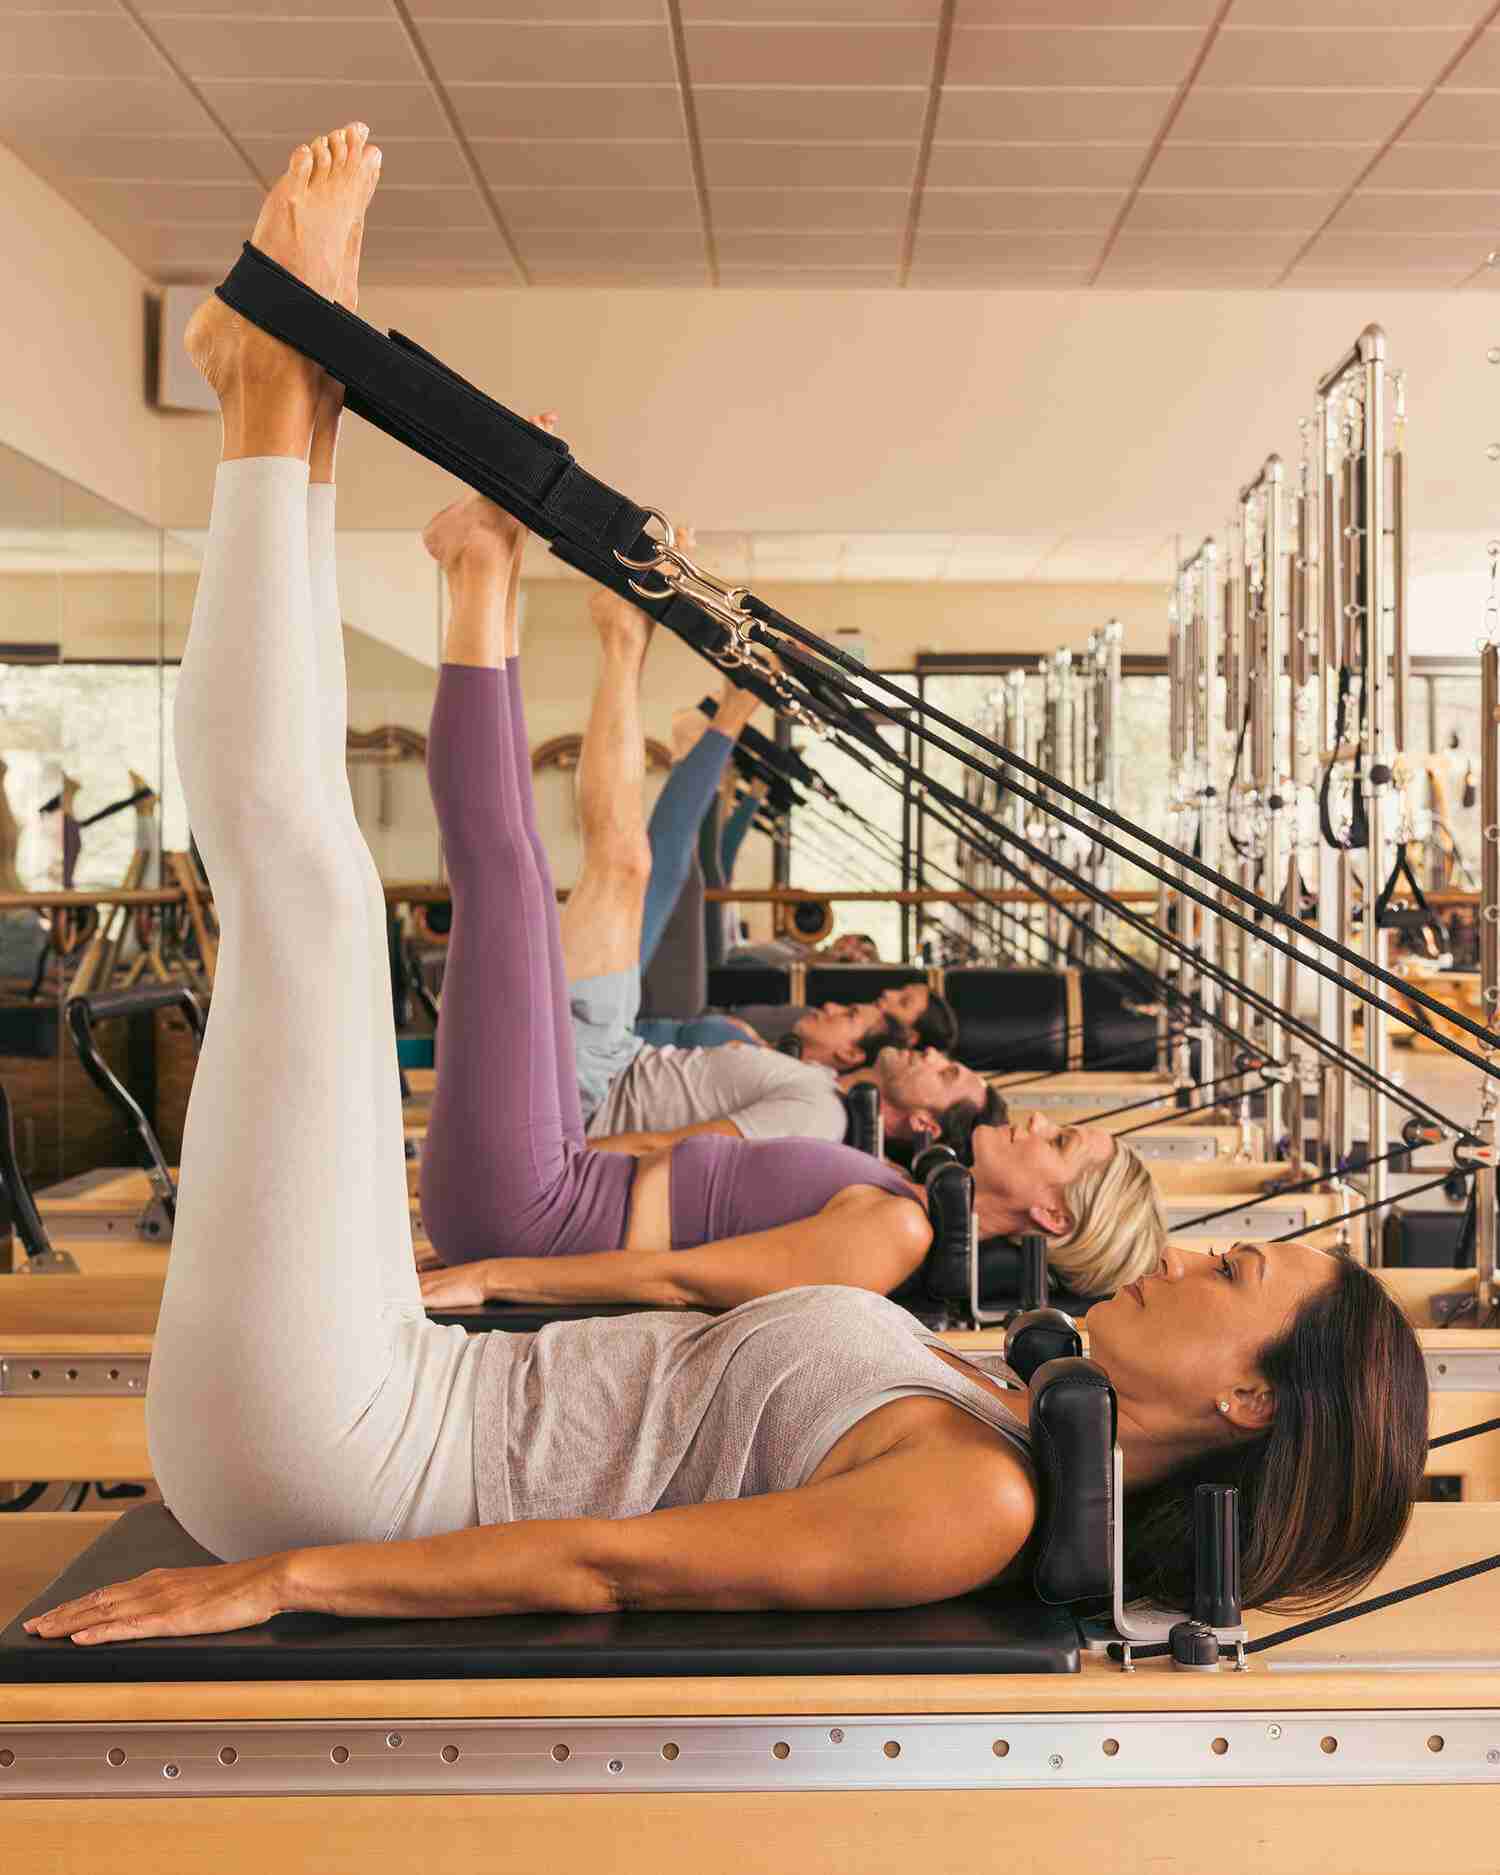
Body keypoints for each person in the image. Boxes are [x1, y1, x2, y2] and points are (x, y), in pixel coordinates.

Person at [22, 128, 1427, 1650]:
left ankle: (277, 397)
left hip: (362, 1457)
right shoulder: (987, 1391)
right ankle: (267, 392)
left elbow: (613, 1566)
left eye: (1237, 1270)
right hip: (403, 1380)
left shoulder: (983, 1497)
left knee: (310, 901)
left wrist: (293, 1576)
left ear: (1246, 1395)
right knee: (325, 904)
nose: (1190, 1262)